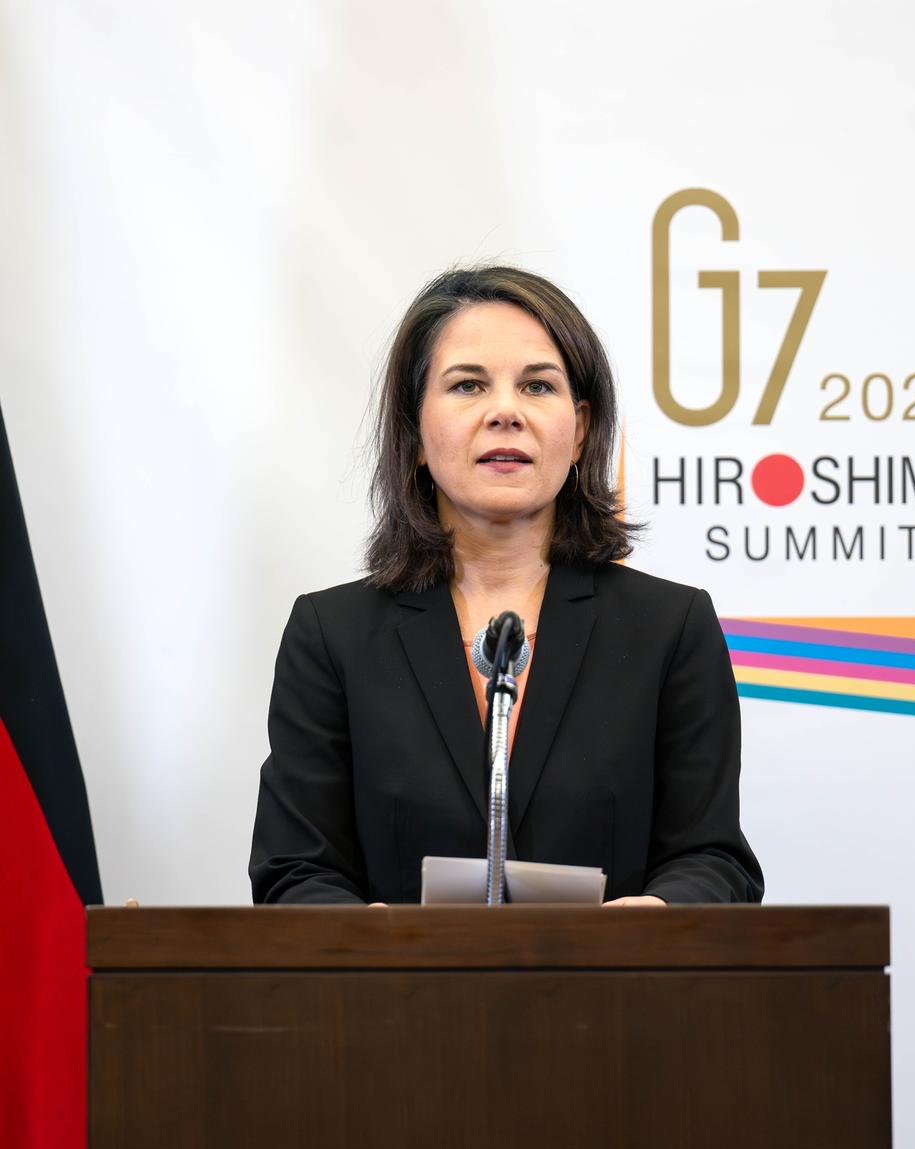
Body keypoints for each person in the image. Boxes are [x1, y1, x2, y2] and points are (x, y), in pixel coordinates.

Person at [249, 266, 762, 906]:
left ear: (579, 431)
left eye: (537, 386)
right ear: (414, 434)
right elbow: (295, 871)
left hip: (612, 974)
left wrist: (655, 919)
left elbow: (713, 859)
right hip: (399, 976)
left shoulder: (669, 627)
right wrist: (366, 939)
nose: (505, 412)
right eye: (468, 385)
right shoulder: (333, 636)